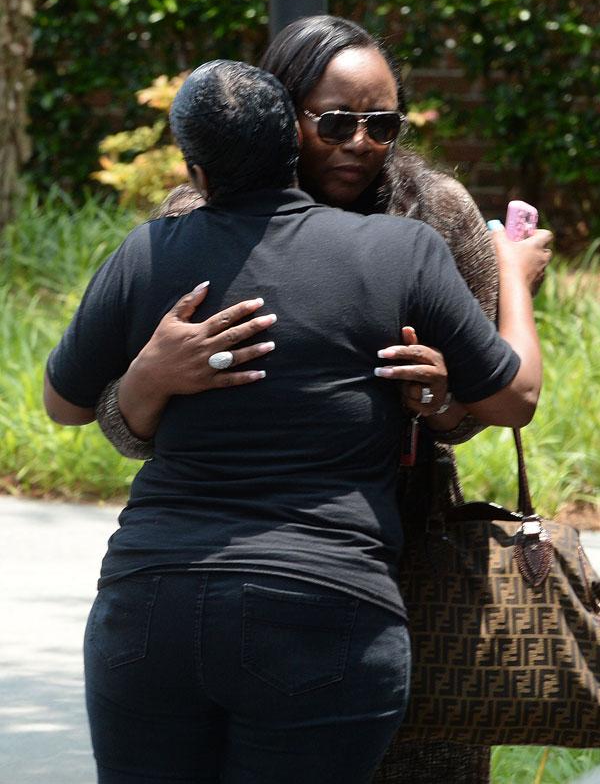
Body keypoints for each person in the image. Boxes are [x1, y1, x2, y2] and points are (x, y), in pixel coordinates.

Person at [44, 57, 548, 783]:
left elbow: (63, 402)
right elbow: (516, 395)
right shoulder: (400, 251)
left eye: (382, 124)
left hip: (150, 607)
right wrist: (514, 278)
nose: (360, 142)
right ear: (295, 136)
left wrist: (147, 374)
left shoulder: (151, 251)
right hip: (327, 610)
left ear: (196, 165)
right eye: (338, 122)